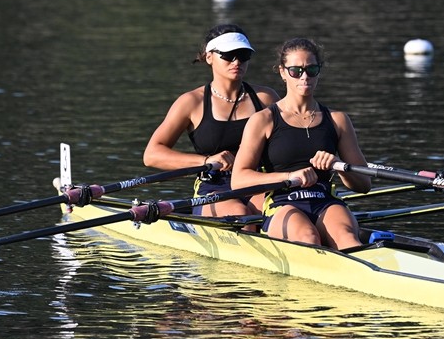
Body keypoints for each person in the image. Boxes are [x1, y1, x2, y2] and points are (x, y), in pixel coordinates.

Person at [231, 37, 372, 250]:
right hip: (282, 203)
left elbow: (364, 185)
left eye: (311, 70)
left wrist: (338, 165)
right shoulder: (263, 120)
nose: (304, 77)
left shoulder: (338, 120)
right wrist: (289, 177)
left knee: (348, 239)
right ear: (282, 72)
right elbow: (239, 181)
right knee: (308, 237)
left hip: (325, 200)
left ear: (318, 71)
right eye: (296, 71)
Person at [144, 25, 280, 218]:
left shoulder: (265, 98)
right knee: (241, 213)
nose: (237, 61)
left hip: (256, 180)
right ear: (209, 57)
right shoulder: (192, 102)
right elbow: (152, 155)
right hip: (214, 185)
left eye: (243, 55)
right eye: (228, 55)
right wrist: (206, 161)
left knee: (271, 212)